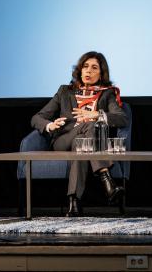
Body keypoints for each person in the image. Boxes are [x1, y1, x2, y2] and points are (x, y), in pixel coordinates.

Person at [31, 51, 128, 217]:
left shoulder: (107, 94)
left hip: (83, 142)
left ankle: (74, 203)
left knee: (81, 145)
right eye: (85, 66)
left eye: (94, 67)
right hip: (63, 140)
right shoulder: (65, 91)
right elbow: (37, 117)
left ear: (101, 73)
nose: (88, 71)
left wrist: (97, 114)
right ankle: (106, 180)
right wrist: (50, 125)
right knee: (90, 127)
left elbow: (122, 118)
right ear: (80, 70)